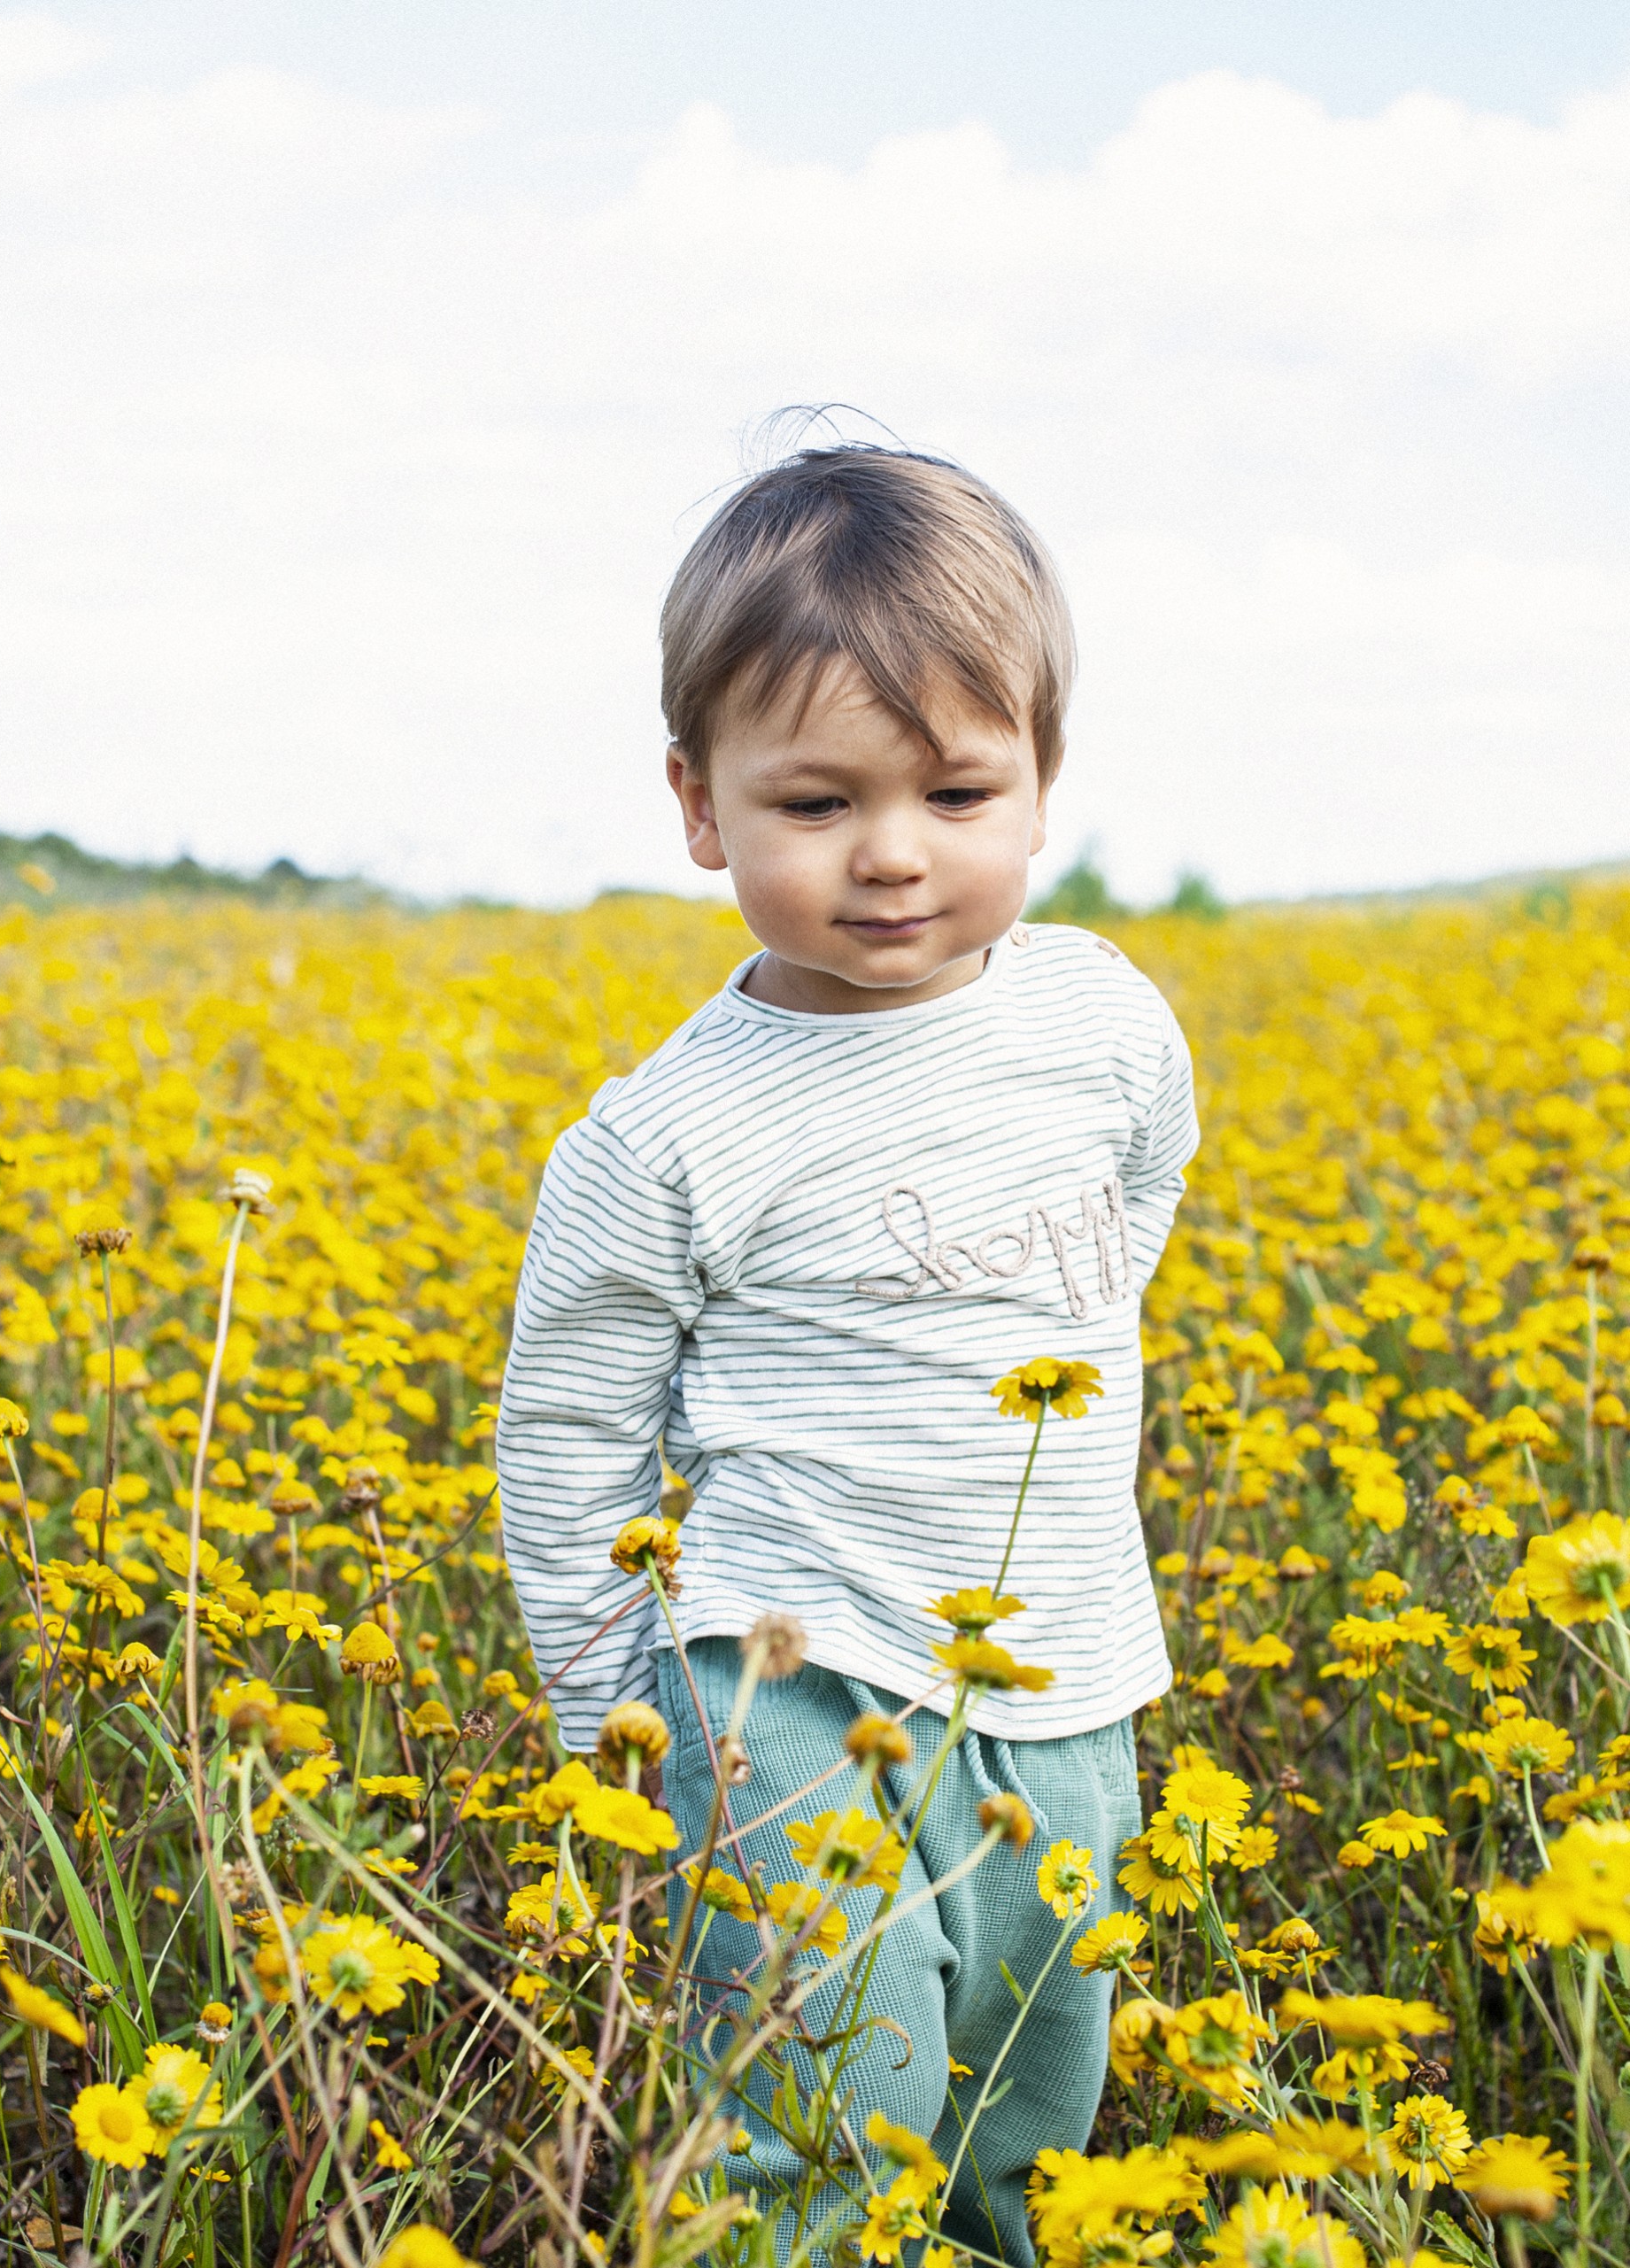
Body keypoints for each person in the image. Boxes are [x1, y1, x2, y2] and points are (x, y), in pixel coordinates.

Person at [497, 443, 1198, 2261]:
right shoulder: (663, 1138)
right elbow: (567, 1441)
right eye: (816, 803)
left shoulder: (1108, 1022)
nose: (894, 854)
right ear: (699, 805)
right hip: (783, 1696)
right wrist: (620, 1725)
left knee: (1027, 2123)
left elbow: (1138, 1202)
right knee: (823, 2126)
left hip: (1069, 1679)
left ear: (1043, 786)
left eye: (959, 789)